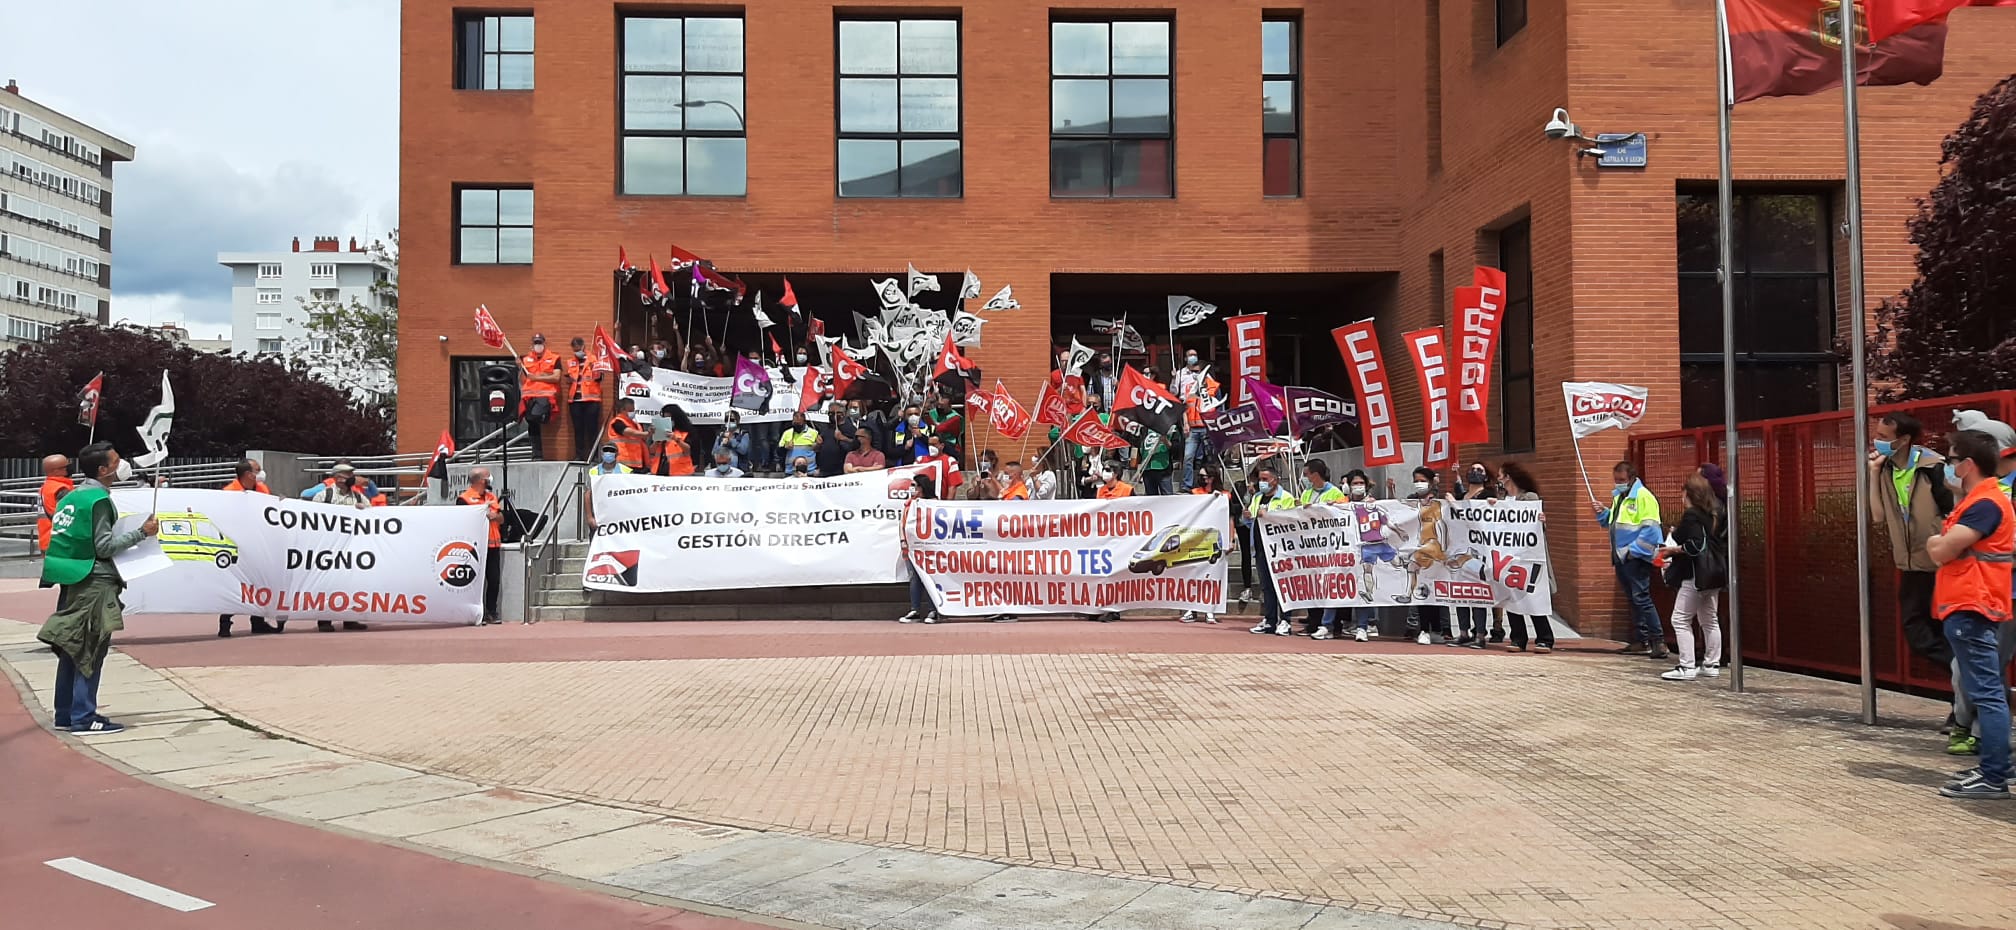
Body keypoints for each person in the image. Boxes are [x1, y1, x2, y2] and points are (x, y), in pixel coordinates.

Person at [39, 442, 158, 734]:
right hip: (95, 581)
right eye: (117, 461)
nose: (122, 465)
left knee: (71, 648)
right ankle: (84, 716)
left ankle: (66, 714)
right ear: (104, 470)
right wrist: (142, 533)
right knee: (90, 650)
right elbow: (104, 547)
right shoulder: (98, 500)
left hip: (71, 576)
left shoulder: (72, 496)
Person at [1925, 429, 2013, 801]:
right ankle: (1994, 766)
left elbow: (1942, 550)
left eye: (1951, 458)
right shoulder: (1978, 499)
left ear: (1968, 464)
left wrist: (1936, 544)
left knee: (1987, 694)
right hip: (1974, 603)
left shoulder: (1985, 504)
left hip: (1972, 604)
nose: (1949, 465)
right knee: (1986, 691)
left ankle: (1994, 776)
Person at [1867, 411, 1955, 701]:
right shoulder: (1887, 469)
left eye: (1883, 437)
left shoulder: (1933, 467)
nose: (1876, 441)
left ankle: (1964, 700)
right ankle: (1965, 676)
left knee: (1949, 633)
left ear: (1903, 440)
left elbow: (1953, 514)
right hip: (1910, 563)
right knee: (1917, 633)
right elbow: (1878, 516)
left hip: (1942, 563)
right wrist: (1874, 474)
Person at [1946, 410, 2016, 756]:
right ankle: (1975, 734)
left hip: (1995, 596)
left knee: (1987, 676)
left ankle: (1991, 757)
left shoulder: (1992, 498)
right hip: (1978, 596)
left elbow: (1944, 546)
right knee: (1976, 673)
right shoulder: (1980, 492)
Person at [1658, 471, 1727, 681]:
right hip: (1714, 574)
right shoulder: (1713, 514)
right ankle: (1711, 663)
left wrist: (1673, 550)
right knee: (1709, 619)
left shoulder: (1691, 516)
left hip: (1695, 575)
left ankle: (1686, 666)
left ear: (1688, 494)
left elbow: (1695, 545)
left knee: (1679, 619)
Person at [1597, 461, 1666, 660]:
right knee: (1634, 599)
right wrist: (1603, 513)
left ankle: (1657, 640)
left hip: (1634, 557)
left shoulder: (1643, 497)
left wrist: (1632, 552)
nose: (1618, 484)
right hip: (1622, 556)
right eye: (1616, 480)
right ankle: (1640, 640)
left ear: (1632, 478)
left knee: (1641, 598)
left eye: (1621, 480)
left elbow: (1652, 529)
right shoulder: (1621, 496)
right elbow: (1615, 522)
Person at [1496, 462, 1554, 653]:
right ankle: (1518, 638)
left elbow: (1534, 526)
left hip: (1528, 555)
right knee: (1511, 595)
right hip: (1509, 556)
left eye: (1501, 475)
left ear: (1509, 477)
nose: (1499, 479)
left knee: (1532, 594)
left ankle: (1545, 637)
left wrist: (1541, 521)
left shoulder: (1529, 498)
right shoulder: (1502, 499)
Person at [217, 459, 280, 637]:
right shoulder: (229, 493)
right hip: (236, 546)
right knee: (234, 584)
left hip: (259, 544)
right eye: (258, 470)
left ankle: (258, 622)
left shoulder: (262, 489)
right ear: (248, 474)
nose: (261, 473)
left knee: (258, 582)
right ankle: (225, 623)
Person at [1296, 460, 1349, 639]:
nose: (1305, 478)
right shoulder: (1307, 493)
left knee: (1328, 584)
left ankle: (1333, 625)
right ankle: (1313, 622)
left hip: (1330, 547)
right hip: (1311, 546)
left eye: (1307, 474)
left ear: (1315, 474)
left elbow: (1343, 513)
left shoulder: (1335, 492)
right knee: (1312, 585)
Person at [1447, 463, 1497, 648]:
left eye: (1480, 470)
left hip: (1479, 551)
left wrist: (1454, 504)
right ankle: (1462, 632)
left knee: (1478, 594)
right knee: (1461, 594)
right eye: (1473, 469)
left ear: (1485, 476)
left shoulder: (1487, 496)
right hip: (1460, 550)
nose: (1475, 472)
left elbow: (1474, 520)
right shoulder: (1461, 496)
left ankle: (1480, 635)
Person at [1180, 468, 1235, 624]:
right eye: (1202, 476)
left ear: (1214, 477)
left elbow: (1230, 518)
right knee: (1193, 574)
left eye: (1207, 476)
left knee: (1213, 575)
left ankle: (1210, 610)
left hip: (1216, 541)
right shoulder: (1195, 493)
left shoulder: (1225, 495)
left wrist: (1231, 539)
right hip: (1196, 540)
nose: (1204, 479)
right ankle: (1191, 608)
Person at [1246, 468, 1297, 635]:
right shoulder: (1257, 497)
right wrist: (1247, 516)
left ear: (1275, 480)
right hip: (1261, 548)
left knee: (1281, 585)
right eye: (1260, 478)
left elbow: (1290, 520)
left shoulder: (1286, 498)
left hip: (1280, 549)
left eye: (1265, 479)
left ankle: (1285, 620)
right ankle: (1270, 620)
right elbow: (1252, 518)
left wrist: (1269, 515)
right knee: (1266, 586)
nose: (1261, 482)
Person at [1404, 467, 1452, 645]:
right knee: (1423, 589)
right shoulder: (1411, 501)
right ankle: (1424, 629)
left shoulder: (1439, 501)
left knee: (1436, 590)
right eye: (1416, 479)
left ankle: (1438, 629)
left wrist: (1445, 547)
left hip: (1435, 548)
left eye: (1423, 479)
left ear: (1431, 481)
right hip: (1418, 547)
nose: (1419, 483)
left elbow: (1445, 525)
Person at [459, 467, 505, 625]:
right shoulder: (464, 499)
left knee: (494, 580)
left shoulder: (492, 497)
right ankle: (474, 613)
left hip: (493, 546)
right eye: (487, 476)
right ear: (480, 480)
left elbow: (501, 518)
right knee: (474, 582)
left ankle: (491, 612)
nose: (490, 479)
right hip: (475, 548)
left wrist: (495, 516)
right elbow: (463, 522)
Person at [1171, 350, 1219, 490]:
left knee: (1210, 458)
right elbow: (1185, 406)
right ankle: (1186, 485)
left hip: (1207, 427)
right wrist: (1185, 423)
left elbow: (1218, 408)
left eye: (1199, 372)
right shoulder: (1190, 391)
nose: (1196, 375)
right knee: (1188, 458)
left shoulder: (1212, 388)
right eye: (1195, 372)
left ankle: (1213, 484)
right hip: (1192, 428)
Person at [898, 475, 941, 624]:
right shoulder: (908, 504)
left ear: (922, 487)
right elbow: (902, 524)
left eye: (914, 485)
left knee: (930, 578)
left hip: (929, 548)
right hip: (912, 547)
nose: (912, 489)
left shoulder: (933, 503)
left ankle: (933, 610)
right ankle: (915, 609)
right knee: (914, 578)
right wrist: (903, 541)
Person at [519, 333, 562, 460]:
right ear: (532, 345)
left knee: (536, 417)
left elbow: (556, 377)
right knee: (531, 423)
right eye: (536, 343)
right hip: (529, 397)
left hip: (545, 397)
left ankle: (545, 417)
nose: (538, 345)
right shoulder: (525, 359)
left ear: (544, 343)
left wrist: (537, 377)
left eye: (540, 342)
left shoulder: (554, 358)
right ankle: (536, 453)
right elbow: (522, 380)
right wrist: (519, 367)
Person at [563, 336, 604, 461]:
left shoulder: (594, 360)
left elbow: (599, 378)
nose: (576, 351)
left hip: (591, 400)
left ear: (583, 346)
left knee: (592, 429)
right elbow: (571, 378)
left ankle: (594, 455)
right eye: (574, 349)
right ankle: (579, 455)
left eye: (578, 349)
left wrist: (596, 370)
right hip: (575, 400)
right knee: (578, 429)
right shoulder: (570, 362)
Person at [36, 453, 73, 554]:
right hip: (59, 542)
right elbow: (71, 516)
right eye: (66, 466)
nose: (70, 468)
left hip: (47, 540)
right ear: (56, 471)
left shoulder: (45, 487)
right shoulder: (60, 489)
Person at [606, 398, 651, 471]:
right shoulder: (617, 422)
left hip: (637, 463)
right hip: (622, 463)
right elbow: (627, 431)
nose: (633, 412)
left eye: (633, 410)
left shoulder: (635, 424)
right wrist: (646, 434)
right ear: (622, 409)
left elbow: (642, 441)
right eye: (630, 410)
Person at [817, 401, 858, 479]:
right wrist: (818, 444)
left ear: (842, 414)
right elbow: (816, 448)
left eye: (834, 413)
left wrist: (843, 438)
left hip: (840, 470)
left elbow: (857, 445)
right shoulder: (825, 428)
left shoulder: (850, 428)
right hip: (824, 470)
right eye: (830, 413)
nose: (831, 415)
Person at [927, 395, 964, 462]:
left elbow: (939, 429)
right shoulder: (932, 413)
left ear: (950, 406)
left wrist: (932, 423)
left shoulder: (955, 417)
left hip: (949, 444)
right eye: (938, 405)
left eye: (942, 406)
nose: (939, 407)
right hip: (932, 443)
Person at [1139, 428, 1176, 496]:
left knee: (1168, 497)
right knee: (1151, 498)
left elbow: (1176, 449)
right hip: (1147, 468)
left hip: (1163, 468)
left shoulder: (1172, 428)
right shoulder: (1144, 428)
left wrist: (1165, 440)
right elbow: (1141, 448)